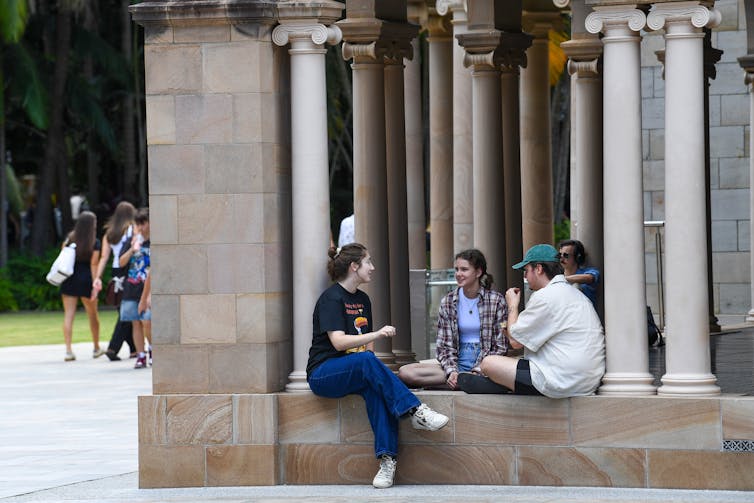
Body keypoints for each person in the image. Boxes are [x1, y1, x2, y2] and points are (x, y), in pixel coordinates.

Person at [307, 243, 450, 489]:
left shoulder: (363, 299)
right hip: (324, 373)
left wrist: (383, 375)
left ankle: (387, 459)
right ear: (354, 266)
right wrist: (378, 333)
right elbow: (338, 342)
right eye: (368, 262)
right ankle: (416, 411)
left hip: (356, 367)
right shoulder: (331, 298)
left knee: (377, 389)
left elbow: (368, 352)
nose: (372, 267)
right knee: (366, 362)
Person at [470, 244, 605, 398]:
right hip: (586, 381)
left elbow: (515, 341)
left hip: (562, 382)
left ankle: (497, 382)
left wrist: (512, 305)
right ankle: (500, 383)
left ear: (539, 269)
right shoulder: (576, 294)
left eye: (526, 270)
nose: (525, 277)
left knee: (488, 363)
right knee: (511, 361)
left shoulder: (546, 296)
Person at [397, 249, 508, 389]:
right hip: (457, 362)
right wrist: (452, 371)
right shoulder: (448, 301)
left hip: (487, 364)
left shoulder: (496, 300)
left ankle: (465, 382)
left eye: (464, 269)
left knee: (498, 372)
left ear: (478, 272)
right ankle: (462, 381)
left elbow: (500, 345)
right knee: (406, 372)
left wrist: (479, 369)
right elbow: (443, 346)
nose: (458, 274)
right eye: (456, 269)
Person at [91, 201, 137, 361]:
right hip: (129, 269)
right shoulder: (132, 230)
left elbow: (104, 258)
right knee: (127, 311)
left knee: (124, 310)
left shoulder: (110, 233)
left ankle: (133, 349)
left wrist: (98, 277)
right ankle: (113, 347)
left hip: (116, 271)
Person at [59, 211, 104, 361]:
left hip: (69, 278)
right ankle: (96, 347)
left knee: (69, 315)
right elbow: (94, 263)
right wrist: (94, 283)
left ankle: (68, 350)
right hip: (86, 280)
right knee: (92, 315)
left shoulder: (70, 238)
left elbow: (63, 254)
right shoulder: (94, 241)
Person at [119, 208, 151, 369]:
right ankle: (140, 355)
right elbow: (121, 262)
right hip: (132, 286)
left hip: (149, 288)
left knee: (147, 321)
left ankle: (152, 349)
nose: (141, 227)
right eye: (138, 224)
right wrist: (132, 248)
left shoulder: (156, 242)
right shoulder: (131, 241)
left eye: (143, 223)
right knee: (135, 322)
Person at [557, 239, 600, 309]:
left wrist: (562, 280)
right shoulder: (557, 277)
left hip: (584, 317)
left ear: (578, 257)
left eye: (566, 255)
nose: (561, 258)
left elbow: (589, 278)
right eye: (559, 255)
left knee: (576, 285)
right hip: (564, 317)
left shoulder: (589, 272)